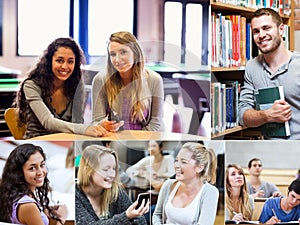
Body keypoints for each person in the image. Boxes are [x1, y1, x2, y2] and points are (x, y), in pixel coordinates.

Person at [14, 37, 107, 139]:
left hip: (66, 141)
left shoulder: (77, 85)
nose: (64, 66)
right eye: (59, 60)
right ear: (49, 61)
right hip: (37, 140)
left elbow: (77, 122)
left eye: (70, 62)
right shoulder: (31, 85)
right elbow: (47, 121)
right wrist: (84, 129)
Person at [238, 8, 300, 140]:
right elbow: (243, 115)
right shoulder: (252, 67)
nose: (261, 35)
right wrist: (267, 115)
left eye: (266, 28)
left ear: (281, 29)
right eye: (256, 31)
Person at [92, 31, 164, 132]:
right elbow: (96, 121)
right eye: (113, 54)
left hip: (144, 140)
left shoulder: (154, 80)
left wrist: (135, 143)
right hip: (112, 138)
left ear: (135, 53)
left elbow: (155, 123)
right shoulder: (100, 80)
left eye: (123, 52)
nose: (117, 59)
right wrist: (103, 125)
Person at [75, 144, 149, 225]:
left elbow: (141, 221)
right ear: (87, 171)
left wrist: (133, 215)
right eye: (105, 169)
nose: (112, 174)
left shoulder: (116, 191)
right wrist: (126, 217)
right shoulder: (75, 194)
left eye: (114, 168)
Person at [152, 142, 219, 225]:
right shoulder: (168, 185)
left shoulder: (210, 192)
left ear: (199, 167)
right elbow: (157, 215)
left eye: (183, 162)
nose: (176, 165)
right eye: (176, 160)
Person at [0, 143, 68, 225]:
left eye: (42, 165)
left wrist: (43, 211)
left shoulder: (12, 197)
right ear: (19, 172)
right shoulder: (28, 206)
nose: (40, 172)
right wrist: (61, 219)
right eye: (32, 168)